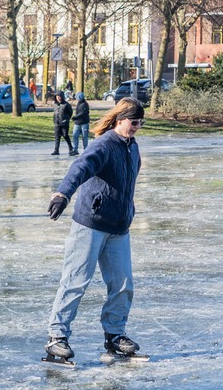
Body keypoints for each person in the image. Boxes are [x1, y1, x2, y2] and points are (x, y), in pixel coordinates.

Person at [41, 98, 145, 364]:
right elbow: (80, 167)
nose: (137, 127)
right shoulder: (104, 145)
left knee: (123, 284)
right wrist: (62, 193)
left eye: (140, 123)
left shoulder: (132, 148)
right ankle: (57, 337)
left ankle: (114, 334)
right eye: (134, 122)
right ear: (121, 119)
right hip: (91, 224)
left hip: (119, 227)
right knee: (75, 281)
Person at [51, 91, 74, 156]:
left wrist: (66, 119)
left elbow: (70, 112)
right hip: (56, 123)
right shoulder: (55, 104)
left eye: (59, 96)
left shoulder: (66, 104)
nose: (58, 98)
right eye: (57, 96)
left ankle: (70, 148)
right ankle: (56, 150)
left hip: (64, 123)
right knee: (57, 137)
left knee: (65, 135)